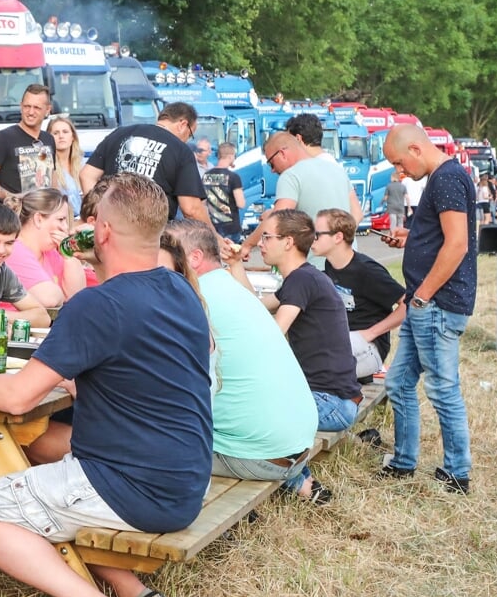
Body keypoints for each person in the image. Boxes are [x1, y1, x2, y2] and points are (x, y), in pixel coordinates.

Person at [0, 172, 211, 597]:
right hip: (185, 480)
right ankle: (135, 595)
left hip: (128, 488)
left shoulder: (98, 304)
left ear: (100, 231)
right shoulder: (180, 290)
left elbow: (17, 398)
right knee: (48, 479)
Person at [166, 219, 327, 504]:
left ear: (194, 258)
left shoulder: (192, 299)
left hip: (260, 456)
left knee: (148, 435)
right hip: (296, 445)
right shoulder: (235, 289)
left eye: (164, 250)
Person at [380, 125, 476, 493]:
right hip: (425, 302)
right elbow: (440, 234)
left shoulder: (447, 178)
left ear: (417, 149)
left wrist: (422, 296)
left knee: (442, 388)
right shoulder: (441, 178)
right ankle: (404, 461)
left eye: (399, 163)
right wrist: (411, 235)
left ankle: (457, 472)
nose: (400, 172)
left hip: (435, 304)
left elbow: (457, 245)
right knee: (399, 382)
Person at [255, 209, 362, 433]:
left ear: (288, 242)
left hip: (329, 403)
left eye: (266, 237)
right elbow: (254, 307)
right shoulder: (304, 277)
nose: (260, 243)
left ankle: (290, 468)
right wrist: (235, 264)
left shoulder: (301, 280)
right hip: (335, 401)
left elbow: (273, 337)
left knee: (245, 411)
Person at [80, 101, 211, 226]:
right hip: (150, 235)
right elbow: (191, 209)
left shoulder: (119, 133)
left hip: (109, 227)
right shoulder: (181, 150)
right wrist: (216, 239)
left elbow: (86, 175)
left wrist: (98, 212)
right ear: (182, 124)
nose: (187, 140)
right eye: (190, 134)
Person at [312, 208, 406, 379]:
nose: (312, 239)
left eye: (317, 234)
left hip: (369, 347)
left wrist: (370, 333)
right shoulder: (329, 265)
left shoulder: (367, 270)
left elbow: (408, 304)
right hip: (341, 341)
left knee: (318, 370)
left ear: (338, 237)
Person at [242, 131, 361, 265]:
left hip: (316, 265)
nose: (272, 170)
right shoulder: (337, 170)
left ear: (282, 153)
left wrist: (247, 245)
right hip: (349, 260)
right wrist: (337, 240)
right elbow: (357, 214)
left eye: (271, 163)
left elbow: (277, 221)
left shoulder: (291, 176)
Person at [3, 188, 86, 308]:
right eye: (61, 219)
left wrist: (69, 255)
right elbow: (49, 299)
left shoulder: (51, 253)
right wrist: (63, 295)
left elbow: (78, 297)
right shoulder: (15, 250)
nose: (65, 227)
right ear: (38, 219)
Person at [0, 85, 54, 202]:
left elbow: (53, 176)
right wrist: (12, 198)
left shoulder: (49, 139)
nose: (31, 112)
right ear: (21, 106)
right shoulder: (3, 138)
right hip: (13, 217)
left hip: (44, 215)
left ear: (47, 110)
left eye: (37, 107)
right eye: (27, 106)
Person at [201, 142, 245, 242]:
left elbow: (203, 203)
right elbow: (241, 204)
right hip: (231, 227)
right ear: (230, 156)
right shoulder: (233, 177)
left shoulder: (206, 176)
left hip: (213, 227)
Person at [47, 114, 84, 217]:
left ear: (73, 137)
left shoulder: (83, 165)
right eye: (56, 133)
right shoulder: (46, 167)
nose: (61, 136)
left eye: (65, 132)